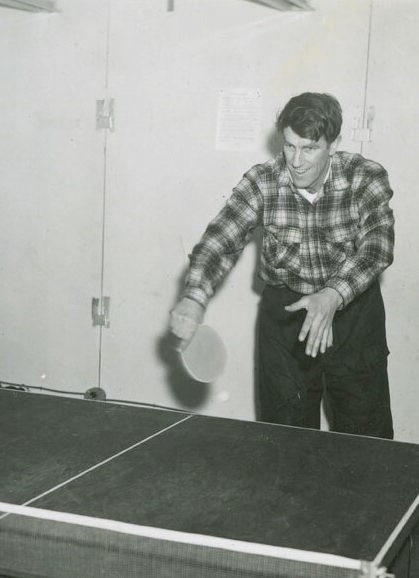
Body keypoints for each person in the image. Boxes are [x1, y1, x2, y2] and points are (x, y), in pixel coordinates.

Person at [169, 92, 395, 438]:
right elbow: (220, 239)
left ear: (333, 144)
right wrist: (194, 297)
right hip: (287, 317)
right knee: (284, 443)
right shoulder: (263, 181)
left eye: (309, 149)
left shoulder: (366, 177)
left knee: (366, 441)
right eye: (290, 146)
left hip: (352, 317)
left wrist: (333, 295)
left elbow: (377, 248)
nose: (297, 161)